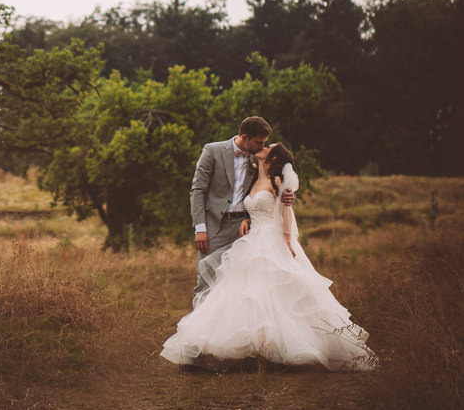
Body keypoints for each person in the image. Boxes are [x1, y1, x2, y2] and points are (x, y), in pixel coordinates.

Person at [161, 143, 377, 371]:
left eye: (268, 146)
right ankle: (252, 352)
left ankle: (278, 352)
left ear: (274, 157)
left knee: (274, 294)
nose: (263, 146)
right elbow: (255, 207)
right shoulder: (255, 178)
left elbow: (285, 212)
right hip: (253, 238)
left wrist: (286, 241)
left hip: (273, 239)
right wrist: (247, 219)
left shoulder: (277, 181)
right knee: (247, 294)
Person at [187, 116, 294, 306]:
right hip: (214, 227)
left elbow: (274, 184)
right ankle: (199, 334)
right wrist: (200, 228)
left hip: (244, 231)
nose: (262, 147)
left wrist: (289, 196)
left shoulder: (259, 158)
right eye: (259, 142)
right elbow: (198, 190)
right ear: (245, 137)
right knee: (205, 281)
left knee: (240, 284)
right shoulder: (212, 150)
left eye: (264, 143)